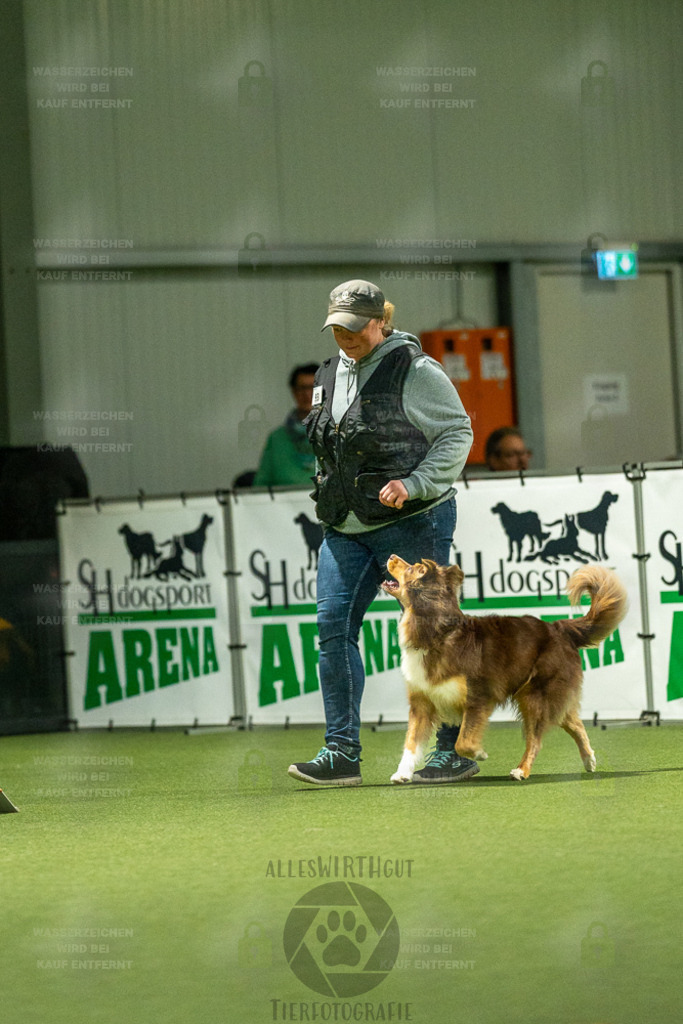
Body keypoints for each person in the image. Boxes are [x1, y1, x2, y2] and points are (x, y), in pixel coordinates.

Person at [288, 279, 477, 786]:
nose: (343, 337)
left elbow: (458, 432)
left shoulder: (416, 370)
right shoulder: (327, 374)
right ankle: (341, 753)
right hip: (344, 528)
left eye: (353, 328)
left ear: (380, 321)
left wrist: (415, 483)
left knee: (436, 636)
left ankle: (452, 750)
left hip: (413, 521)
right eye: (336, 328)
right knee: (333, 631)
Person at [252, 363, 319, 487]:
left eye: (313, 388)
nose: (307, 394)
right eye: (302, 388)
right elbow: (260, 486)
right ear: (293, 391)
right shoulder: (277, 439)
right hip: (283, 505)